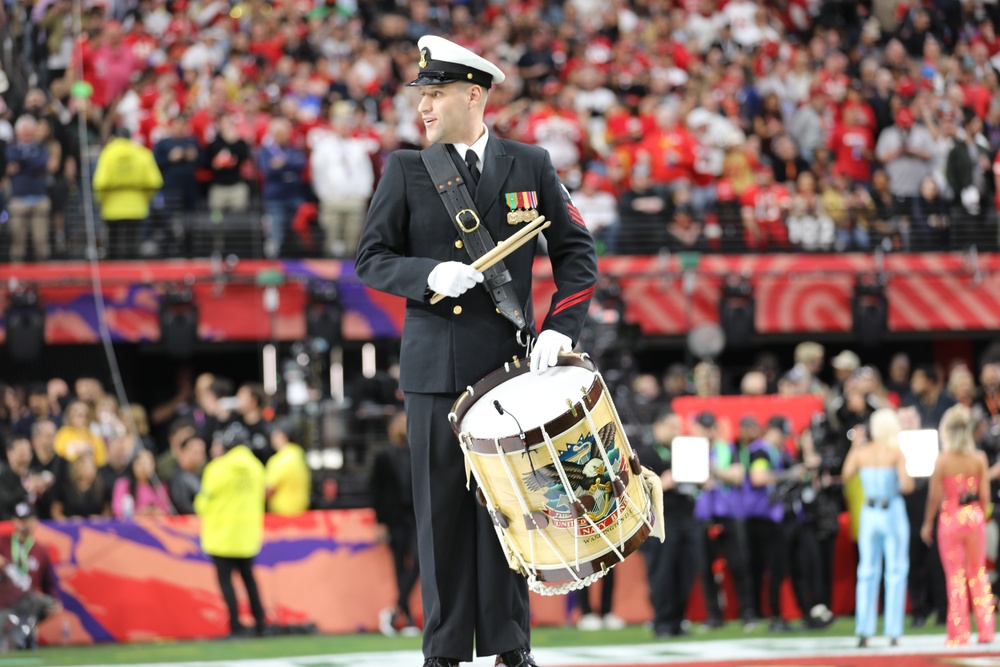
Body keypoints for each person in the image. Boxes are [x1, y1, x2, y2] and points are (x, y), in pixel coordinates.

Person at [355, 35, 598, 667]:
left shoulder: (531, 164)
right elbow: (371, 260)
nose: (424, 108)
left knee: (509, 511)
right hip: (436, 371)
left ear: (474, 94)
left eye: (435, 95)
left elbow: (577, 256)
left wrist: (558, 329)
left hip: (506, 370)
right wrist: (428, 276)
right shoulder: (406, 168)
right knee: (439, 516)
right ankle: (442, 652)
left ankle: (510, 647)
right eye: (422, 96)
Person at [921, 405, 996, 646]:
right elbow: (985, 495)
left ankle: (959, 633)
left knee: (955, 577)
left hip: (950, 518)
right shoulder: (979, 458)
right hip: (974, 517)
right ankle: (986, 630)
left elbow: (934, 497)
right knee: (978, 574)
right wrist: (980, 516)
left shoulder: (943, 460)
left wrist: (927, 522)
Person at [841, 408, 915, 647]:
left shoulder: (862, 452)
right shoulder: (896, 452)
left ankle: (864, 629)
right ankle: (893, 631)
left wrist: (855, 446)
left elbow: (846, 474)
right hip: (891, 509)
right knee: (895, 570)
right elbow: (907, 486)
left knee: (866, 570)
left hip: (869, 513)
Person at [194, 424, 267, 638]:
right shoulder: (256, 468)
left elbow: (202, 504)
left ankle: (235, 625)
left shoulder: (217, 468)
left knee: (226, 582)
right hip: (247, 536)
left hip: (221, 536)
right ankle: (260, 623)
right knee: (249, 579)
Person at [371, 412, 420, 637]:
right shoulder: (383, 455)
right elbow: (376, 491)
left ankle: (394, 611)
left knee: (418, 563)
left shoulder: (416, 453)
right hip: (394, 518)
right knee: (399, 567)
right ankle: (406, 617)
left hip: (415, 516)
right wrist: (380, 522)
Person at [0, 502, 61, 646]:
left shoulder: (40, 550)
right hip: (4, 604)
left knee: (50, 603)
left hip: (29, 603)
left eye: (27, 520)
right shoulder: (1, 544)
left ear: (34, 521)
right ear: (14, 521)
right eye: (20, 520)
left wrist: (55, 600)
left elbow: (49, 583)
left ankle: (26, 630)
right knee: (7, 647)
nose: (24, 524)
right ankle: (17, 635)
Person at [111, 448, 173, 519]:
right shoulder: (123, 484)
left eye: (147, 463)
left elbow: (166, 511)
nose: (144, 467)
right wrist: (139, 513)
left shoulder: (159, 486)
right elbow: (117, 510)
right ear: (133, 465)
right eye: (140, 463)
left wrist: (155, 512)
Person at [265, 420, 310, 516]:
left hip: (282, 516)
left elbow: (268, 490)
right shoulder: (299, 454)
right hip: (301, 513)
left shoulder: (280, 460)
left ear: (283, 436)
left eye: (275, 435)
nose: (272, 438)